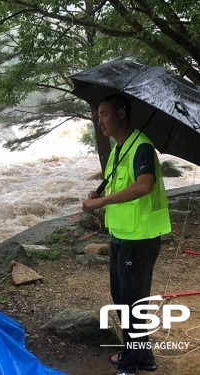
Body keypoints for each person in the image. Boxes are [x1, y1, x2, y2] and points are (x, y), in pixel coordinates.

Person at [82, 94, 171, 375]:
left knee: (132, 303)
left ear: (121, 114)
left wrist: (101, 202)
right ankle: (144, 358)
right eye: (98, 115)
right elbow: (120, 187)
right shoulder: (119, 149)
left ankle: (130, 365)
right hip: (121, 234)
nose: (100, 120)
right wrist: (100, 193)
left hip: (140, 237)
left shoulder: (141, 147)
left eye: (105, 114)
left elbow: (144, 186)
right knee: (124, 300)